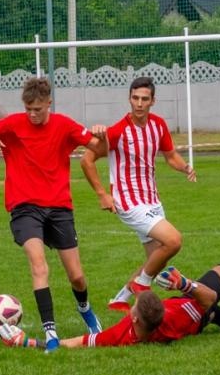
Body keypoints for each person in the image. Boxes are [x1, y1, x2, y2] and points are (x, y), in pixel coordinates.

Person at [0, 76, 107, 350]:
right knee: (39, 266)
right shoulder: (13, 123)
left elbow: (100, 149)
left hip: (59, 207)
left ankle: (85, 309)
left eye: (37, 109)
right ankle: (51, 335)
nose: (32, 114)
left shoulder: (65, 125)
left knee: (76, 276)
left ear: (49, 103)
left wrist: (102, 135)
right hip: (24, 207)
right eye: (28, 109)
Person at [80, 76, 197, 310]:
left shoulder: (158, 125)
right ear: (129, 99)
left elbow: (170, 156)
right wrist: (103, 194)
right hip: (128, 201)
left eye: (144, 99)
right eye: (135, 98)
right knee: (173, 241)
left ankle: (120, 298)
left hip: (152, 200)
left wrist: (185, 167)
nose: (139, 103)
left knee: (156, 259)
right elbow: (86, 160)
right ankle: (140, 285)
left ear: (153, 101)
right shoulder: (118, 131)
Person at [0, 261, 220, 348]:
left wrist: (27, 342)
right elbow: (208, 300)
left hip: (200, 318)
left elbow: (73, 343)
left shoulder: (122, 335)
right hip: (197, 309)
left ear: (136, 319)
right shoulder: (175, 315)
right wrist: (185, 284)